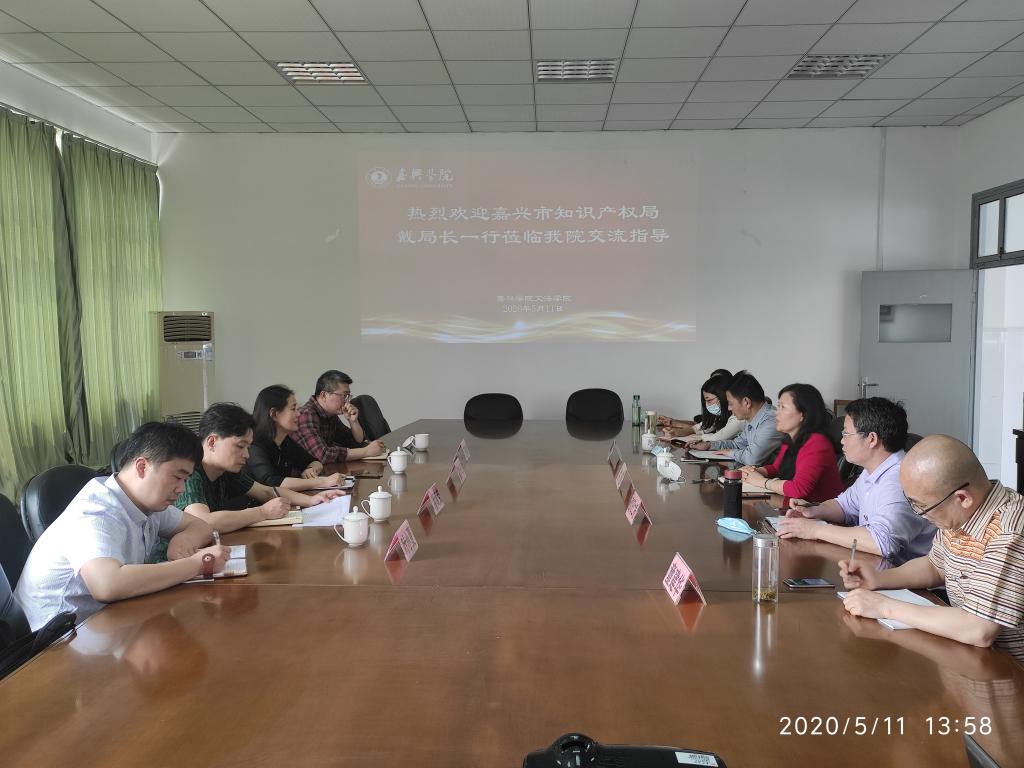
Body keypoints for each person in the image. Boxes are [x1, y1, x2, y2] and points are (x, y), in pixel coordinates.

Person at [14, 422, 230, 630]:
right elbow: (107, 585)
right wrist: (198, 563)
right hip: (54, 639)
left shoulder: (146, 502)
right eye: (177, 477)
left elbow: (200, 526)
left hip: (105, 622)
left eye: (186, 480)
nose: (181, 489)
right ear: (142, 467)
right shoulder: (96, 511)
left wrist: (183, 539)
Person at [841, 435, 1024, 665]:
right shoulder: (963, 512)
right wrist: (878, 579)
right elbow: (934, 566)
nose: (920, 514)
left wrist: (884, 607)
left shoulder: (1009, 532)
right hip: (966, 656)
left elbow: (979, 629)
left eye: (922, 506)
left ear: (962, 498)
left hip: (1009, 670)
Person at [776, 398, 934, 563]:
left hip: (907, 575)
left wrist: (815, 530)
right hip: (879, 567)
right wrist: (812, 510)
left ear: (871, 439)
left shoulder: (899, 480)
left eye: (846, 434)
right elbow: (845, 505)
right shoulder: (873, 470)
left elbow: (882, 543)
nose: (841, 440)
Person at [176, 403, 345, 533]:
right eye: (240, 446)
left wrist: (312, 500)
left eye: (248, 447)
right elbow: (204, 521)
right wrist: (263, 512)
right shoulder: (189, 472)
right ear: (212, 442)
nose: (246, 455)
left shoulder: (226, 471)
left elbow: (266, 492)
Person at [740, 383, 844, 502]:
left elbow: (799, 489)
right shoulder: (790, 439)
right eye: (778, 406)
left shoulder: (817, 443)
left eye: (783, 407)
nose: (776, 412)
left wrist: (761, 482)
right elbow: (776, 468)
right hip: (797, 506)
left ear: (802, 414)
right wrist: (754, 472)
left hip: (820, 509)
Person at [247, 385, 345, 491]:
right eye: (293, 409)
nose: (298, 414)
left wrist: (310, 470)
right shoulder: (254, 444)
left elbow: (315, 462)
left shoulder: (284, 441)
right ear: (274, 414)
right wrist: (323, 482)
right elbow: (272, 483)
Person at [690, 370, 783, 466]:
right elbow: (738, 444)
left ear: (746, 402)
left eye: (730, 404)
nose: (729, 408)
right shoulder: (751, 420)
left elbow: (752, 458)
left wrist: (730, 452)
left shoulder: (771, 422)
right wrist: (709, 445)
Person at [293, 370, 386, 463]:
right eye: (344, 395)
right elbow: (323, 455)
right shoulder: (306, 414)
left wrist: (353, 422)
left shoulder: (330, 414)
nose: (347, 401)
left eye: (348, 396)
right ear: (324, 395)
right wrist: (366, 452)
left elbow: (355, 443)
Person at [661, 374, 746, 445]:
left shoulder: (739, 418)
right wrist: (675, 432)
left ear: (723, 397)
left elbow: (717, 438)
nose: (707, 405)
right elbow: (697, 428)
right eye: (705, 401)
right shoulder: (719, 416)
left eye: (709, 400)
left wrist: (696, 437)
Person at [658, 368, 734, 436]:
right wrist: (674, 428)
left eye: (718, 382)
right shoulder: (717, 416)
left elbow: (717, 437)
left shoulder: (736, 417)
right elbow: (699, 427)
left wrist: (674, 423)